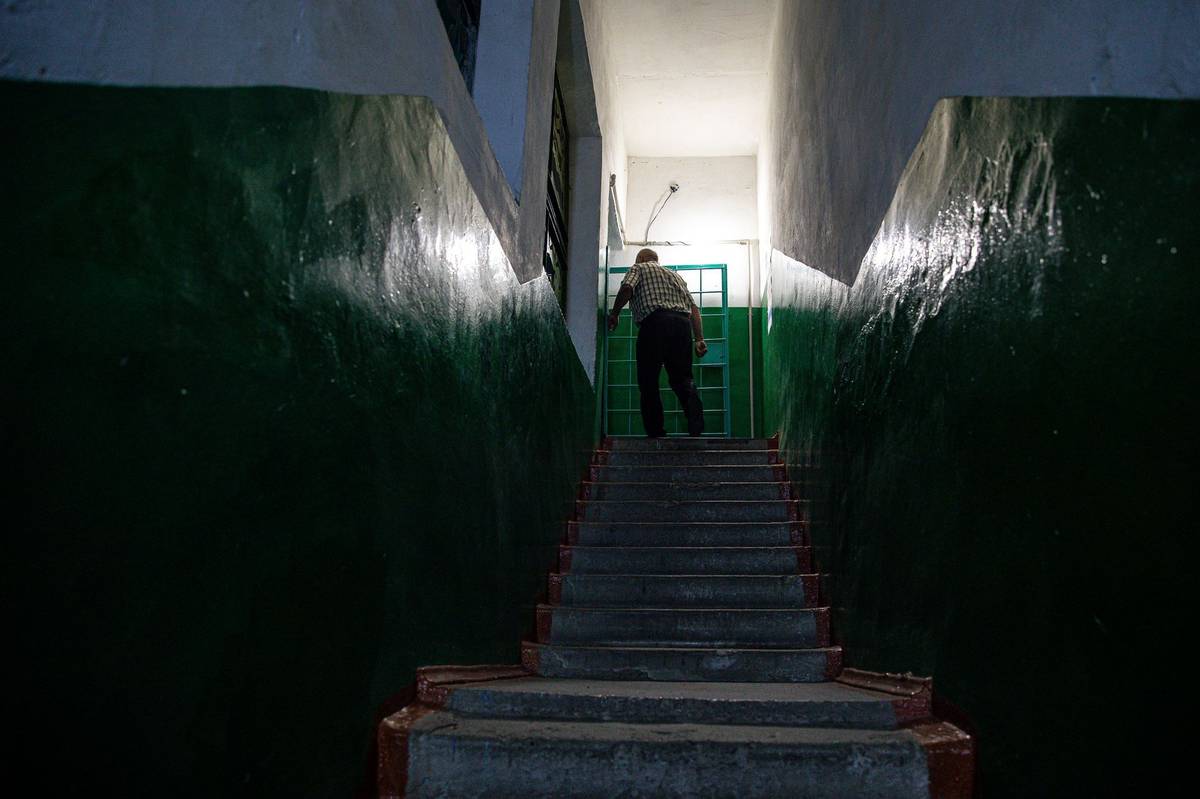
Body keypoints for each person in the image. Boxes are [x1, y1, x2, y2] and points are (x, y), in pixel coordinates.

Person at [607, 249, 707, 437]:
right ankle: (696, 424)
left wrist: (615, 313)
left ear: (641, 258)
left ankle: (656, 432)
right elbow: (694, 308)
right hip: (682, 326)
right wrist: (699, 339)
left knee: (648, 380)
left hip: (654, 323)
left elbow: (627, 288)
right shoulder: (676, 276)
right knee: (683, 379)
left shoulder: (638, 268)